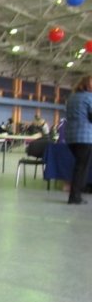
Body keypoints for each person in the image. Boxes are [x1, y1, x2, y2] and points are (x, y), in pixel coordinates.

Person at [64, 75, 92, 205]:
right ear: (88, 85)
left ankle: (75, 195)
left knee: (78, 167)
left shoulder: (72, 97)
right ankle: (75, 197)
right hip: (85, 136)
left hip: (70, 136)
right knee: (81, 168)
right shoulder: (89, 97)